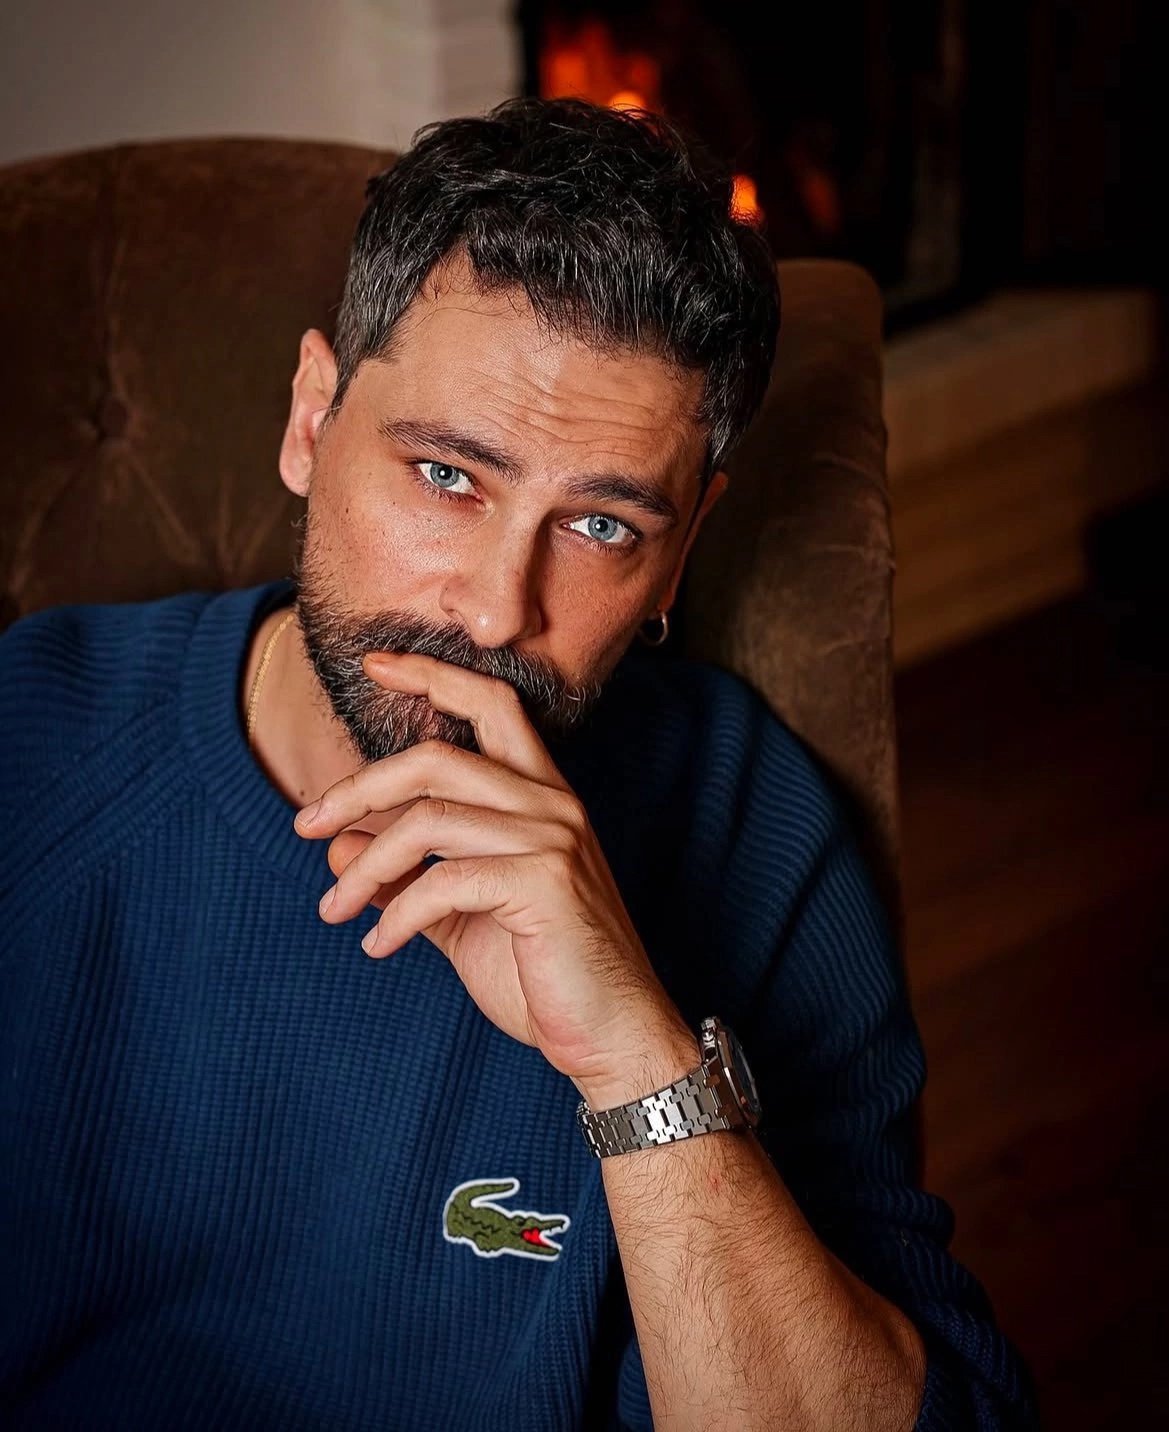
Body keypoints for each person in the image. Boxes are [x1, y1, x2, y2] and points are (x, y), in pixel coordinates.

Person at [0, 98, 1035, 1429]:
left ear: (682, 549)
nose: (496, 612)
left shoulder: (746, 819)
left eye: (601, 524)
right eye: (448, 475)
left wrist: (637, 1063)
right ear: (312, 419)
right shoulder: (32, 742)